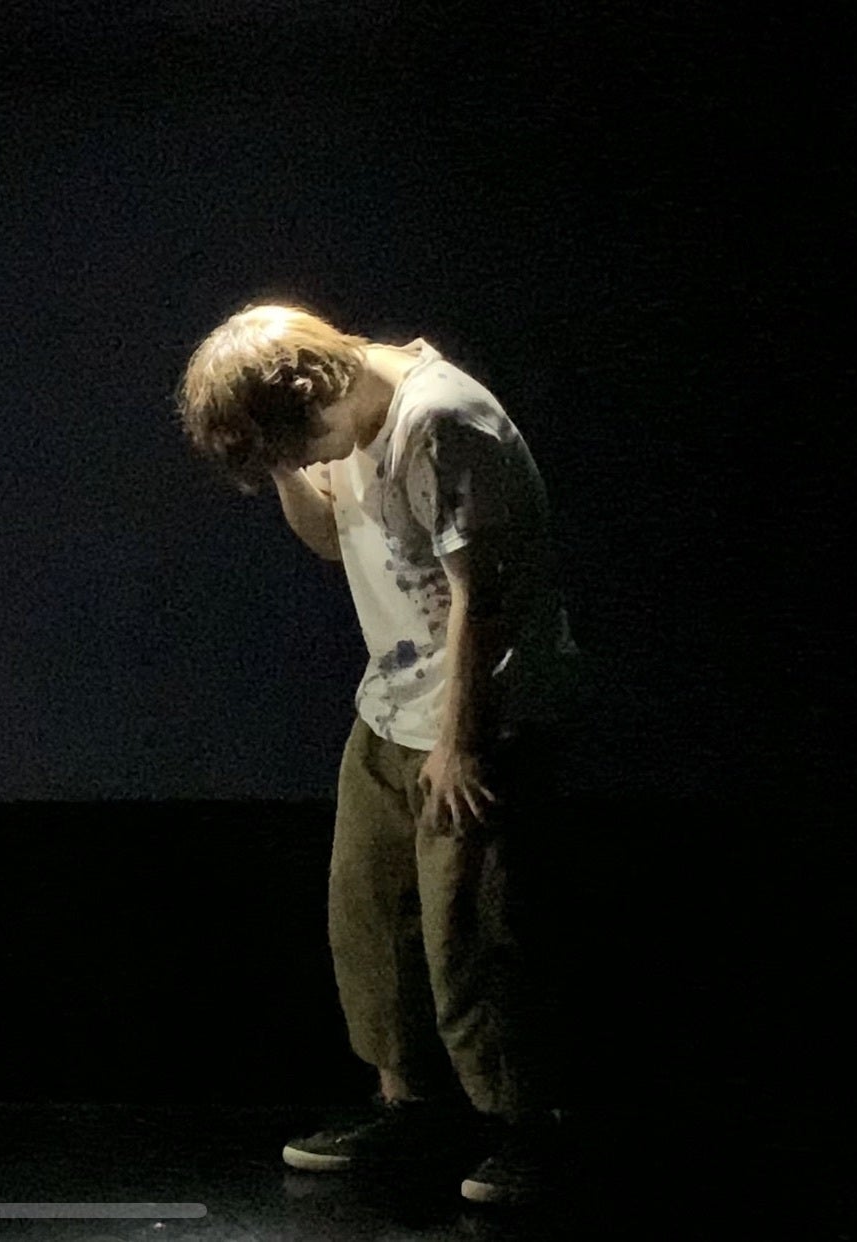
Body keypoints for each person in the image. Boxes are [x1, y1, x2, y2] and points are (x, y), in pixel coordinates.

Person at [177, 303, 579, 1205]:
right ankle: (409, 1107)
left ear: (318, 387)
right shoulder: (333, 421)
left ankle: (528, 1126)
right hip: (392, 707)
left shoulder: (438, 422)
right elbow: (332, 537)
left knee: (472, 930)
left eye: (298, 441)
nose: (307, 460)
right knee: (370, 915)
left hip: (480, 715)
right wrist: (283, 463)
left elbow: (484, 595)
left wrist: (461, 742)